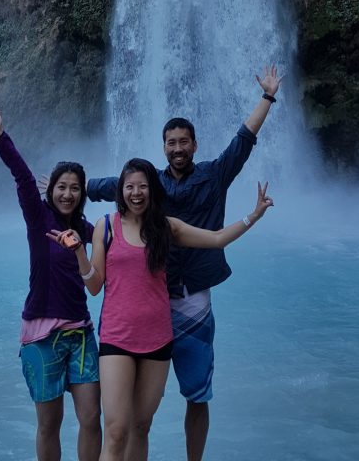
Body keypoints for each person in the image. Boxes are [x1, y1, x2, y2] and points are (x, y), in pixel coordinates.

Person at [86, 64, 281, 461]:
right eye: (170, 142)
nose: (177, 148)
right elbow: (114, 186)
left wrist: (267, 97)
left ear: (194, 145)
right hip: (148, 304)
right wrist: (69, 188)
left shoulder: (213, 176)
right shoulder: (150, 184)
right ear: (163, 148)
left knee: (196, 393)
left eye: (183, 142)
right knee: (132, 418)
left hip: (193, 302)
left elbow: (243, 141)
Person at [52, 158, 273, 461]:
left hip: (158, 340)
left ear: (152, 191)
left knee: (142, 426)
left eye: (143, 186)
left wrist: (254, 216)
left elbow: (216, 238)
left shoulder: (166, 228)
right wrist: (80, 252)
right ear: (121, 191)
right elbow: (94, 285)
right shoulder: (106, 226)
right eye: (130, 187)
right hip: (117, 339)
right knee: (116, 430)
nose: (136, 193)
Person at [0, 101, 101, 461]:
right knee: (50, 423)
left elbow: (118, 241)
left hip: (80, 333)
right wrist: (0, 135)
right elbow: (22, 176)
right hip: (41, 335)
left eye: (75, 188)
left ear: (82, 193)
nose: (67, 193)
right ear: (52, 191)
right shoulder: (38, 216)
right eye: (61, 187)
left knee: (92, 418)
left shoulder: (84, 228)